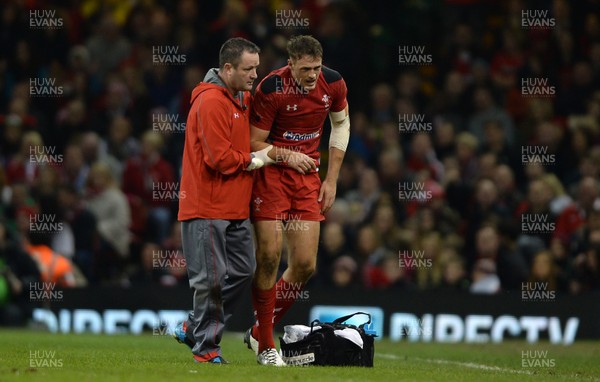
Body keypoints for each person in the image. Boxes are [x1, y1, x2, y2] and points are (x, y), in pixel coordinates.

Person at [246, 35, 350, 366]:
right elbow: (252, 143)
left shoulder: (333, 83)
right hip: (272, 175)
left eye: (316, 68)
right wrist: (287, 156)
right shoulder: (271, 88)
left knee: (305, 264)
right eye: (305, 69)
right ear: (290, 65)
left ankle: (256, 330)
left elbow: (341, 125)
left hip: (308, 179)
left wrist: (332, 178)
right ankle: (265, 345)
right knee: (269, 257)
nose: (311, 76)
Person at [174, 38, 273, 365]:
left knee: (244, 271)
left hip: (234, 208)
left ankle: (194, 325)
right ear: (227, 68)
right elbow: (219, 158)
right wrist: (259, 160)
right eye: (248, 68)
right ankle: (206, 350)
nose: (254, 75)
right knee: (211, 283)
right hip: (206, 208)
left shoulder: (241, 98)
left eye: (257, 67)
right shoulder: (211, 102)